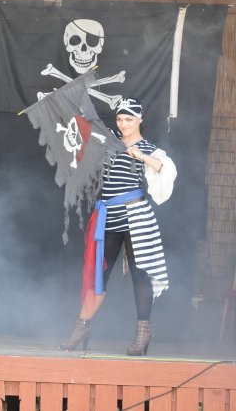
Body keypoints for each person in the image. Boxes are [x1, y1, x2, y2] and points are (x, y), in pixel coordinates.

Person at [59, 97, 177, 355]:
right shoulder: (110, 141)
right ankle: (81, 327)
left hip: (136, 216)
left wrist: (141, 156)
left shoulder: (149, 148)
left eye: (129, 120)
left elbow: (165, 170)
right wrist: (65, 101)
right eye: (120, 119)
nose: (123, 124)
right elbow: (86, 124)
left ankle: (143, 333)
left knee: (140, 274)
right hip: (109, 215)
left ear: (140, 120)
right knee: (99, 274)